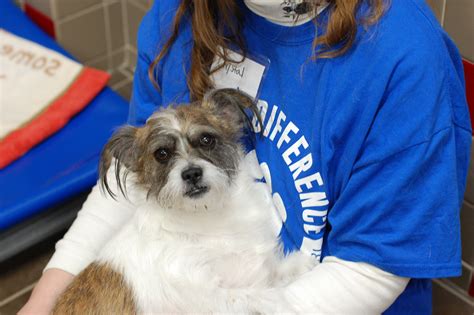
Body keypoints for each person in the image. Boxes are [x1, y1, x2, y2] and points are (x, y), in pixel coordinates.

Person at [20, 0, 472, 314]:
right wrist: (49, 294)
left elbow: (372, 271)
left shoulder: (404, 56)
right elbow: (134, 180)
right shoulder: (179, 17)